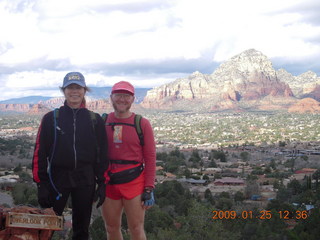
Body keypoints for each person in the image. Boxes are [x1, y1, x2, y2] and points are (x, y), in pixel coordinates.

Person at [32, 72, 108, 240]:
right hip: (57, 178)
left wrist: (102, 182)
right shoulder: (51, 118)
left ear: (84, 91)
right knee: (47, 227)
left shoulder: (95, 120)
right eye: (70, 88)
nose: (74, 91)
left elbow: (102, 154)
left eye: (78, 88)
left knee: (81, 229)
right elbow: (40, 152)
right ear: (64, 91)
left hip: (85, 178)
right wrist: (41, 184)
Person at [101, 81, 156, 240]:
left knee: (136, 228)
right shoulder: (103, 121)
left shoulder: (141, 124)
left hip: (134, 182)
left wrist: (149, 188)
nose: (122, 99)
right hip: (109, 182)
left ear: (133, 99)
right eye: (118, 95)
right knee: (111, 228)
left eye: (126, 96)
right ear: (111, 97)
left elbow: (150, 158)